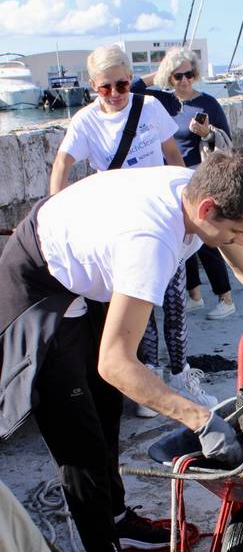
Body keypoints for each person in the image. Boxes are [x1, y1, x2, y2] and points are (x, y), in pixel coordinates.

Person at [0, 150, 243, 552]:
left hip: (88, 260)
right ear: (207, 211)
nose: (239, 242)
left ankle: (118, 518)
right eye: (237, 231)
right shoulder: (150, 243)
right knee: (79, 435)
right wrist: (200, 418)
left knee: (106, 410)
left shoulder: (203, 187)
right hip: (40, 281)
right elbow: (116, 363)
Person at [49, 44, 214, 417]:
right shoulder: (86, 121)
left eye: (121, 85)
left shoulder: (149, 108)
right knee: (138, 305)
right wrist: (55, 206)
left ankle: (180, 374)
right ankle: (148, 378)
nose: (114, 95)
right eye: (104, 88)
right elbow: (63, 161)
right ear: (93, 86)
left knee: (174, 301)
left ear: (130, 80)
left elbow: (172, 153)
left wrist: (188, 193)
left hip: (162, 217)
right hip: (122, 226)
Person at [132, 47, 236, 321]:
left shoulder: (207, 103)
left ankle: (225, 298)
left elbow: (227, 141)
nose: (184, 80)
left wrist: (207, 132)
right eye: (177, 76)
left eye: (189, 74)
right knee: (181, 241)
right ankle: (195, 296)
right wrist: (161, 71)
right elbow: (130, 89)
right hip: (171, 180)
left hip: (200, 178)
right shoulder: (161, 101)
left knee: (205, 240)